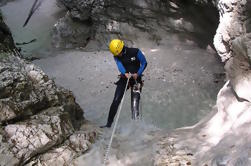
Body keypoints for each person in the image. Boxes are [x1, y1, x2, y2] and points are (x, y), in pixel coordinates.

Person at [100, 39, 147, 128]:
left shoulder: (135, 52)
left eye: (119, 53)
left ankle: (135, 126)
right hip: (124, 78)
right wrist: (125, 73)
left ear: (122, 48)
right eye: (116, 54)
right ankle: (108, 124)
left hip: (136, 79)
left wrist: (138, 73)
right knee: (116, 99)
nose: (118, 55)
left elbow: (144, 63)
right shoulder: (116, 55)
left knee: (135, 102)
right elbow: (119, 65)